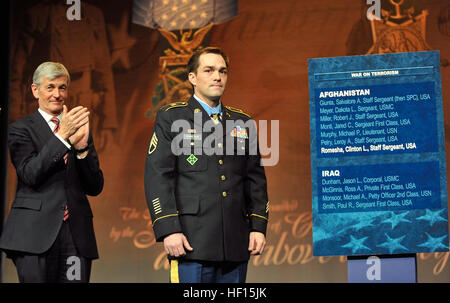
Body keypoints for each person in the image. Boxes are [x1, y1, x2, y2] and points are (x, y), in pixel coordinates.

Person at [144, 47, 269, 283]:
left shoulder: (242, 122)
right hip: (191, 241)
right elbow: (158, 176)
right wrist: (169, 228)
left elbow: (255, 180)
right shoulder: (172, 118)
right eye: (209, 70)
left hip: (235, 242)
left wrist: (258, 226)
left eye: (222, 71)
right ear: (192, 77)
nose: (217, 76)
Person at [0, 62, 104, 282]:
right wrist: (61, 136)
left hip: (75, 236)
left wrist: (82, 148)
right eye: (50, 87)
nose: (57, 94)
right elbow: (30, 173)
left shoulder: (78, 128)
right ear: (35, 90)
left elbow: (95, 187)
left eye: (62, 87)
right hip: (34, 235)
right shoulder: (21, 129)